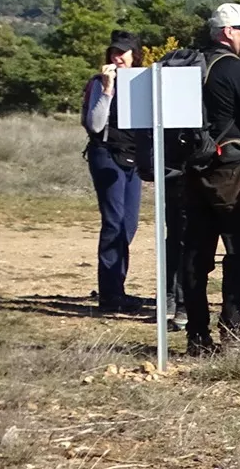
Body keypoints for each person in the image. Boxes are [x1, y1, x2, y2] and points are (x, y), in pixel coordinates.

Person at [180, 3, 240, 355]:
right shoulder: (233, 68)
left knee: (195, 254)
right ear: (227, 32)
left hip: (193, 170)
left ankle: (197, 335)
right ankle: (233, 331)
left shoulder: (193, 66)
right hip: (231, 173)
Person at [82, 30, 150, 314]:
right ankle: (110, 295)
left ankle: (116, 287)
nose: (116, 56)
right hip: (106, 155)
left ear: (135, 55)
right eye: (113, 52)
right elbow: (95, 125)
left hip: (133, 158)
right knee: (114, 222)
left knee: (129, 224)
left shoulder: (144, 83)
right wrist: (108, 89)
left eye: (123, 52)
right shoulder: (99, 83)